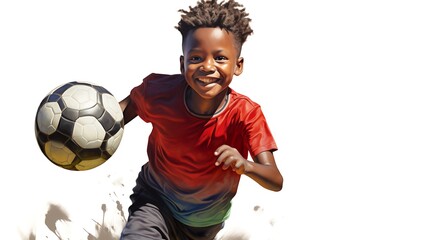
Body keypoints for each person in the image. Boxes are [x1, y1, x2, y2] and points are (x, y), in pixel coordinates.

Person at [119, 0, 283, 239]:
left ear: (238, 65)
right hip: (154, 201)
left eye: (220, 58)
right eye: (195, 58)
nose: (207, 66)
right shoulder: (158, 93)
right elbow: (114, 117)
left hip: (205, 222)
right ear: (182, 63)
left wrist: (246, 166)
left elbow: (275, 179)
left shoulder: (246, 114)